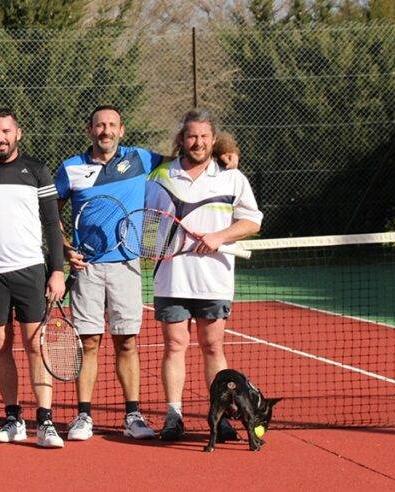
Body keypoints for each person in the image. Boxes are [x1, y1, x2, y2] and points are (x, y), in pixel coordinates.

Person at [55, 105, 239, 441]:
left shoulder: (141, 160)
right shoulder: (70, 168)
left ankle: (132, 415)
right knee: (89, 342)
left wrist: (226, 151)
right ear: (89, 130)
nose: (105, 131)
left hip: (127, 265)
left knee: (126, 342)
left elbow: (190, 152)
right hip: (88, 268)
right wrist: (66, 249)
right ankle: (83, 416)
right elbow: (50, 215)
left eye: (111, 125)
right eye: (99, 126)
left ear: (121, 130)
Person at [149, 109, 262, 441]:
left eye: (203, 137)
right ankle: (173, 415)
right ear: (181, 140)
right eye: (191, 136)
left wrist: (220, 237)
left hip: (214, 279)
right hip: (172, 276)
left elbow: (252, 221)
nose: (197, 142)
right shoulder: (160, 176)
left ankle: (221, 414)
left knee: (213, 346)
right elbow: (146, 219)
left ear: (214, 140)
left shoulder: (232, 178)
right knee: (175, 345)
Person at [0, 108, 67, 448]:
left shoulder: (37, 171)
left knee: (35, 345)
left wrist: (57, 269)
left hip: (30, 270)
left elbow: (52, 225)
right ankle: (13, 417)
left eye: (6, 131)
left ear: (18, 133)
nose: (0, 138)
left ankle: (45, 421)